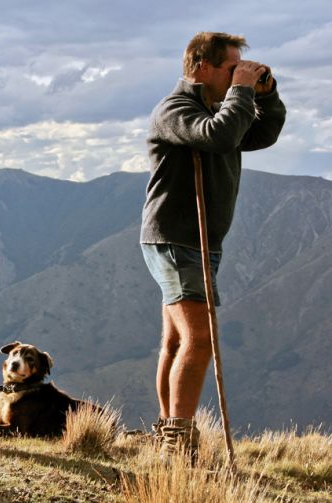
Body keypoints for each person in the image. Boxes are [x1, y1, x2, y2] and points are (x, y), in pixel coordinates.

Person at [140, 32, 286, 462]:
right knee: (199, 340)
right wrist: (241, 90)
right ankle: (179, 440)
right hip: (176, 239)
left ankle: (167, 427)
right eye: (230, 67)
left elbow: (262, 133)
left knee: (174, 342)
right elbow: (219, 136)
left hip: (196, 243)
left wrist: (266, 94)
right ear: (202, 66)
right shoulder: (175, 109)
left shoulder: (217, 110)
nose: (236, 72)